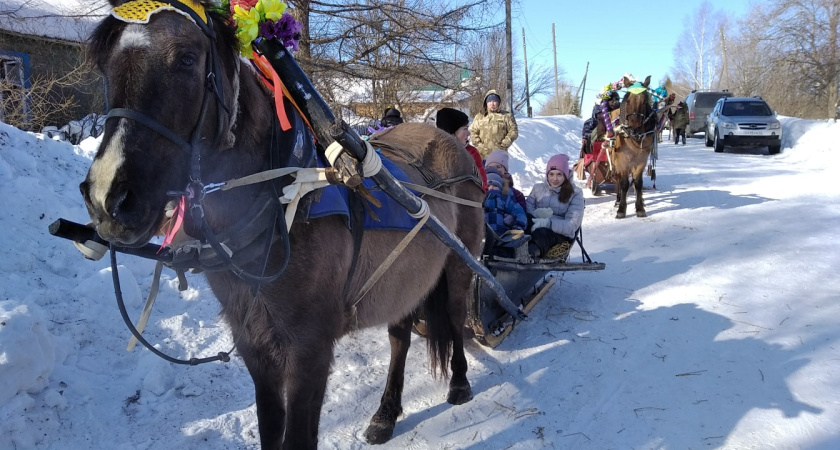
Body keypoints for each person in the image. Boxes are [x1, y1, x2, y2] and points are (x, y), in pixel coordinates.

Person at [526, 154, 584, 260]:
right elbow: (527, 209)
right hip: (535, 225)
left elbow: (572, 225)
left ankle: (529, 255)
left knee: (541, 233)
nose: (554, 179)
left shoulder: (575, 193)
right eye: (551, 174)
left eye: (559, 174)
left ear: (565, 175)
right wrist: (536, 214)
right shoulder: (538, 189)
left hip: (558, 234)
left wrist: (548, 223)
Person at [435, 107, 487, 192]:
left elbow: (483, 185)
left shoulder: (471, 153)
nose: (469, 133)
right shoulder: (433, 154)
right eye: (465, 128)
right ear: (452, 133)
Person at [469, 90, 518, 158]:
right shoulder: (479, 116)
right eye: (489, 101)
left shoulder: (506, 116)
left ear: (498, 102)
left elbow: (513, 131)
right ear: (486, 103)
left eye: (495, 101)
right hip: (482, 156)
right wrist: (479, 145)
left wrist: (504, 144)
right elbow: (473, 131)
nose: (492, 103)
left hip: (499, 155)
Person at [484, 172, 527, 237]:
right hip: (481, 233)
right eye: (488, 186)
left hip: (501, 233)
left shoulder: (504, 199)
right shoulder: (481, 199)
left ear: (500, 188)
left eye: (495, 186)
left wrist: (519, 225)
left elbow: (519, 211)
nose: (491, 188)